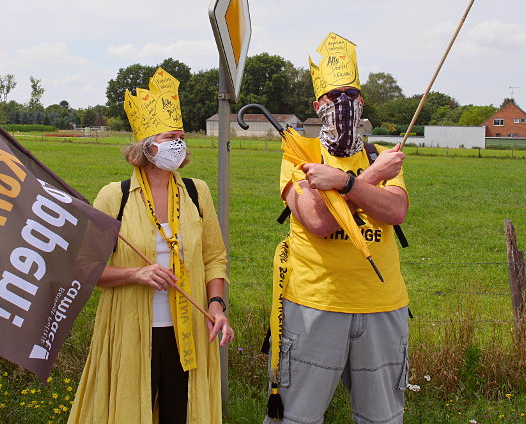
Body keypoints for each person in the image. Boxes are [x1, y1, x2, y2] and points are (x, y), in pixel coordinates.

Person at [68, 67, 233, 424]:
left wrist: (217, 306)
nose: (179, 143)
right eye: (170, 136)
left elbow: (215, 258)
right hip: (130, 331)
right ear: (147, 144)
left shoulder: (196, 192)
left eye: (181, 136)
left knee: (180, 414)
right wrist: (135, 273)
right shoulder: (116, 197)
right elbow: (87, 268)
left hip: (188, 330)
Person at [263, 32, 410, 424]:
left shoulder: (381, 156)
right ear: (317, 105)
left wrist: (348, 182)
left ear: (362, 103)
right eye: (333, 97)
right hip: (315, 304)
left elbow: (396, 210)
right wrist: (368, 181)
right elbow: (319, 222)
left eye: (351, 95)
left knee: (383, 418)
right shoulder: (300, 154)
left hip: (383, 305)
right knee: (297, 417)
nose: (343, 104)